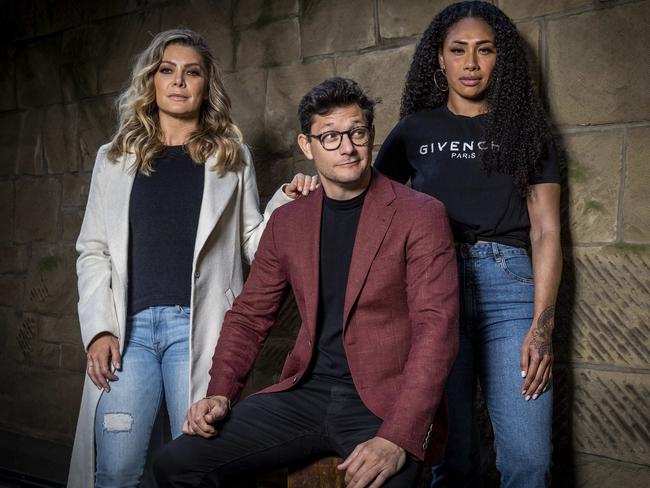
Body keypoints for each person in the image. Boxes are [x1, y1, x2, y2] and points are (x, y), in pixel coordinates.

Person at [152, 77, 459, 488]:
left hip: (384, 401)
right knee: (175, 464)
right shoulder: (288, 221)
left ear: (370, 135)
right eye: (330, 137)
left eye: (357, 133)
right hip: (304, 394)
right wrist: (220, 391)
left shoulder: (420, 214)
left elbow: (436, 331)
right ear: (306, 145)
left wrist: (397, 436)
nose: (347, 147)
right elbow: (249, 316)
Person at [67, 29, 318, 488]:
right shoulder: (114, 158)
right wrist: (99, 328)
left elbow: (253, 246)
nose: (179, 81)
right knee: (116, 471)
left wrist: (285, 203)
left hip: (200, 330)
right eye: (167, 70)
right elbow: (93, 249)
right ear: (152, 81)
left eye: (192, 72)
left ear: (206, 85)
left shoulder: (231, 157)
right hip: (129, 336)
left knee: (195, 464)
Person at [374, 2, 562, 487]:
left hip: (512, 290)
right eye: (458, 51)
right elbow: (366, 203)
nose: (471, 63)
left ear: (502, 58)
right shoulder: (415, 130)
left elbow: (545, 230)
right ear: (440, 58)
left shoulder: (526, 130)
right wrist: (304, 187)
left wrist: (542, 326)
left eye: (484, 50)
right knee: (450, 459)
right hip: (435, 290)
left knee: (528, 460)